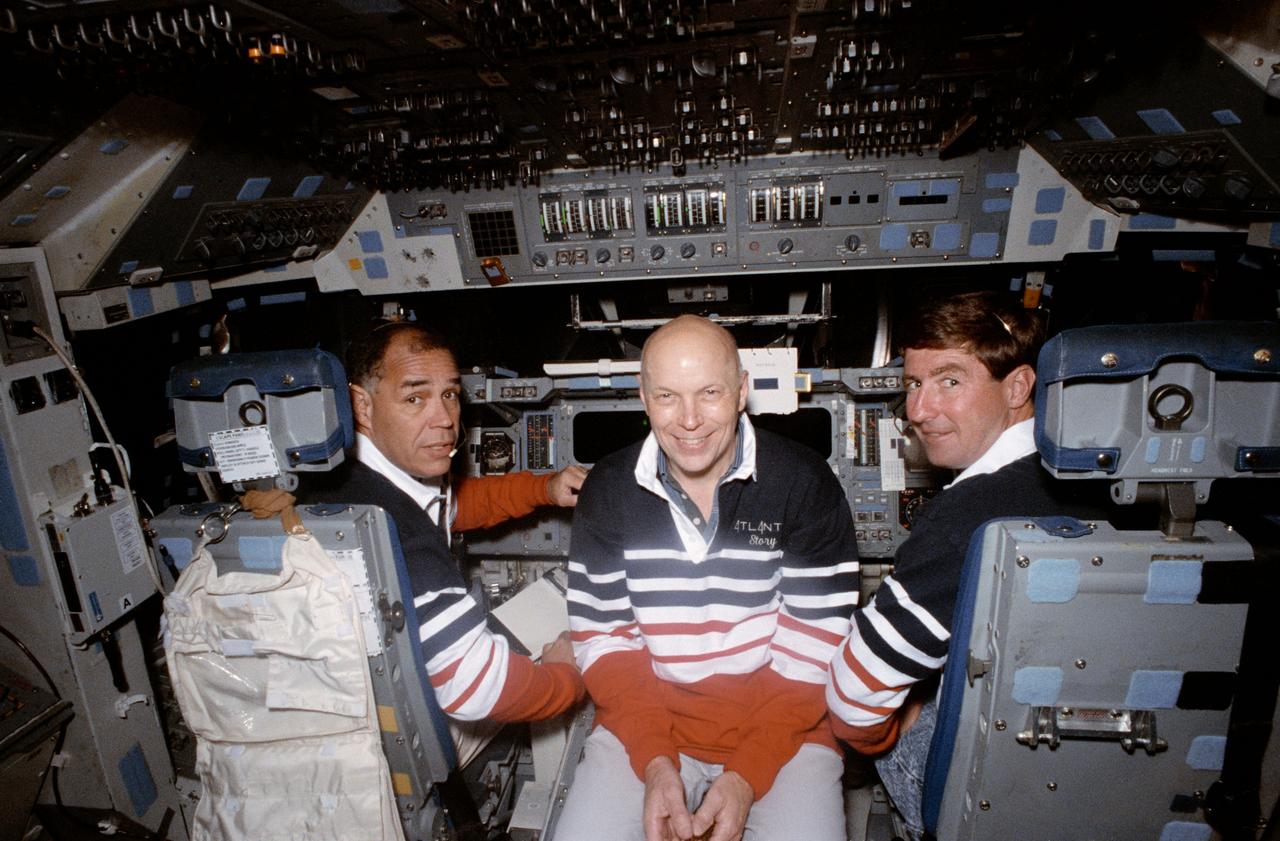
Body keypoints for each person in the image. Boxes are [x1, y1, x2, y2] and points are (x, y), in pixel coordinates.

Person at [557, 315, 861, 841]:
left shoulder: (804, 481)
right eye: (668, 396)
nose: (689, 420)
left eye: (710, 393)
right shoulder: (607, 489)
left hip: (787, 729)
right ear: (643, 396)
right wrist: (655, 762)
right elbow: (606, 640)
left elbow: (815, 647)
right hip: (649, 723)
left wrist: (746, 775)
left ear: (742, 391)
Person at [826, 290, 1094, 840]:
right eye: (913, 385)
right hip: (1093, 776)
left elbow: (852, 704)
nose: (920, 412)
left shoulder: (964, 517)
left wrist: (901, 723)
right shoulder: (1107, 488)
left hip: (985, 794)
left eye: (949, 381)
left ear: (1018, 387)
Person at [308, 321, 585, 722]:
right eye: (415, 398)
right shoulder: (397, 528)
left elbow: (451, 509)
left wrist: (546, 488)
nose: (444, 420)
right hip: (388, 727)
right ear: (361, 406)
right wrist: (569, 677)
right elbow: (477, 692)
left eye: (450, 395)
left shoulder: (344, 484)